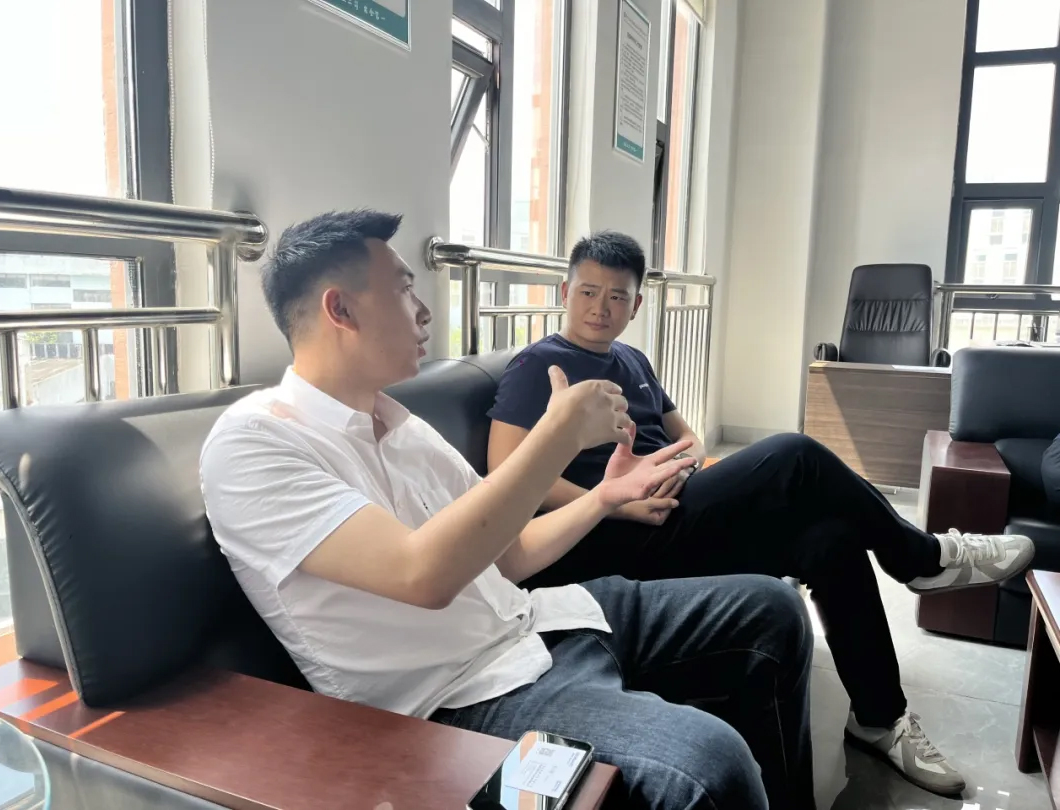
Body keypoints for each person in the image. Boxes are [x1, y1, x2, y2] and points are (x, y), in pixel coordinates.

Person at [199, 210, 818, 810]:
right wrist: (557, 436)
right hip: (462, 696)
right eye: (405, 289)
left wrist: (603, 499)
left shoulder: (399, 423)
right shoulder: (253, 443)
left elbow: (509, 554)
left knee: (773, 609)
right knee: (707, 762)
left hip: (540, 622)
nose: (423, 310)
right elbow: (421, 575)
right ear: (341, 309)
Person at [487, 230, 1037, 798]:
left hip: (672, 505)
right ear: (565, 292)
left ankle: (878, 716)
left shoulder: (633, 359)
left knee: (832, 539)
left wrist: (684, 465)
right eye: (588, 292)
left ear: (637, 304)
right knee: (795, 454)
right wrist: (615, 503)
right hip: (612, 535)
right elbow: (506, 473)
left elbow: (689, 436)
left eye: (617, 296)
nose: (600, 308)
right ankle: (923, 557)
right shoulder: (539, 364)